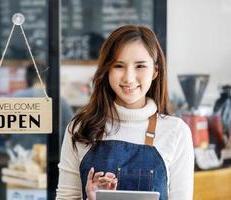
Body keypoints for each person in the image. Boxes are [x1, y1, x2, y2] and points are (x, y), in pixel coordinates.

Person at [56, 25, 194, 200]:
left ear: (155, 71)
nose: (129, 78)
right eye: (119, 66)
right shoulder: (80, 128)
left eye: (140, 66)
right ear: (107, 71)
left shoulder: (176, 132)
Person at [9, 64, 74, 149]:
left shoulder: (17, 97)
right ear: (47, 78)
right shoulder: (60, 101)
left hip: (22, 156)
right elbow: (72, 131)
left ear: (27, 79)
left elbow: (6, 132)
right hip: (52, 156)